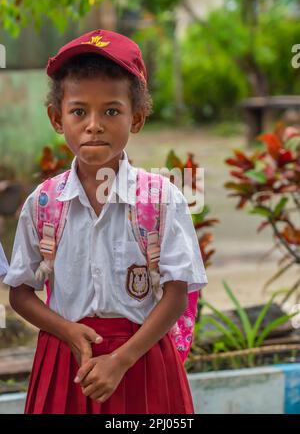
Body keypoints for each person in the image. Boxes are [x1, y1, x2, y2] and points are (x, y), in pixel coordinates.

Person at [2, 29, 208, 414]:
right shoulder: (43, 203)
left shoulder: (162, 200)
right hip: (66, 361)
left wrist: (122, 359)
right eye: (79, 111)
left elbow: (176, 295)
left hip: (142, 360)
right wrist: (66, 330)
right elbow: (20, 292)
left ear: (138, 118)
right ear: (57, 118)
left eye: (111, 111)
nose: (94, 125)